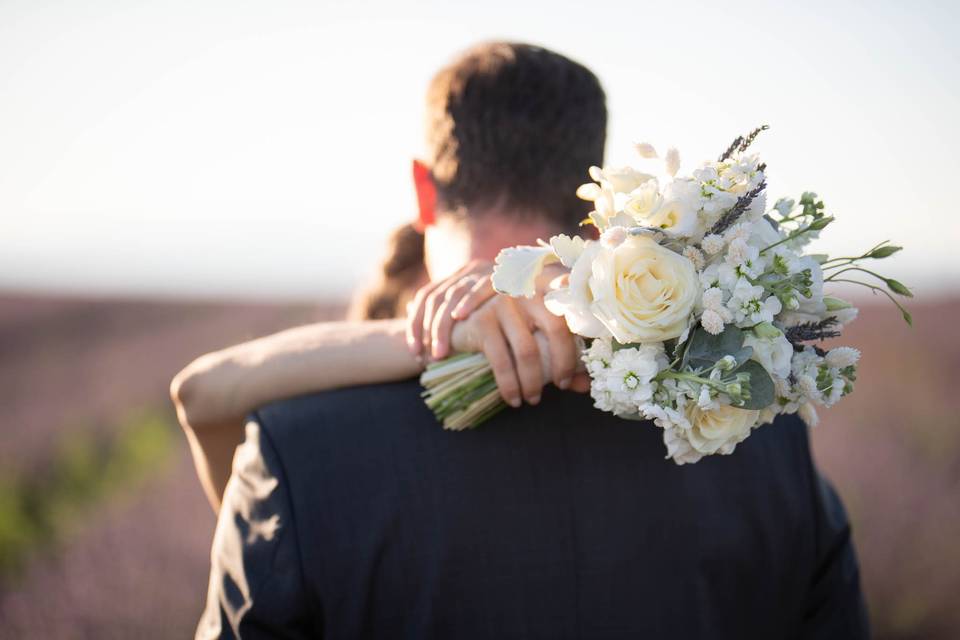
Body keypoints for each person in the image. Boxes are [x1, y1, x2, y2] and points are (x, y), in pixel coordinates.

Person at [176, 42, 869, 639]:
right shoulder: (762, 441)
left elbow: (200, 399)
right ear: (596, 202)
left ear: (423, 190)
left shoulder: (298, 449)